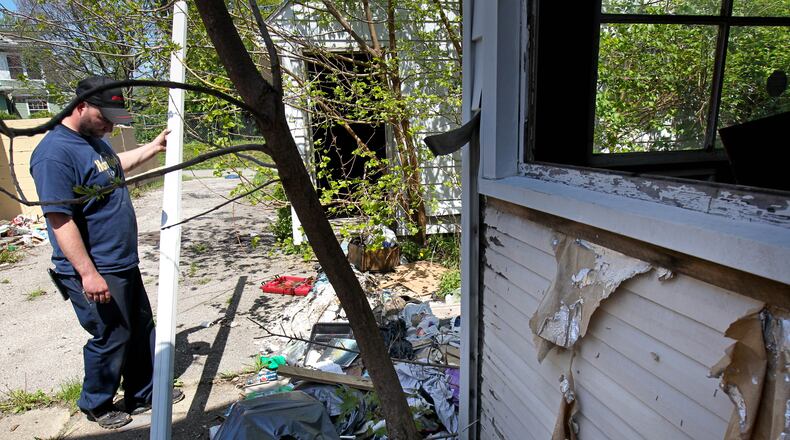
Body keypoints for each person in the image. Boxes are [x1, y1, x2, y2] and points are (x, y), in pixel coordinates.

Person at [30, 76, 182, 429]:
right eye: (106, 117)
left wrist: (154, 147)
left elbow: (115, 167)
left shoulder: (93, 142)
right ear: (80, 106)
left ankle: (142, 393)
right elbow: (59, 220)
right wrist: (88, 273)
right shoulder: (54, 154)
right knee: (111, 335)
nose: (111, 126)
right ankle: (96, 403)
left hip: (121, 261)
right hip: (95, 267)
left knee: (141, 327)